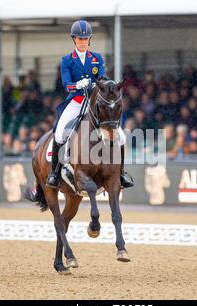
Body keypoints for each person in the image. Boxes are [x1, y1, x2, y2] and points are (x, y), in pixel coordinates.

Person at [47, 20, 134, 189]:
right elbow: (66, 84)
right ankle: (55, 173)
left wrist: (103, 84)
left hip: (94, 103)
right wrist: (77, 85)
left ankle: (122, 173)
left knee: (121, 136)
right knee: (59, 133)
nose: (83, 41)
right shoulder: (67, 60)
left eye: (86, 39)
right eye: (80, 39)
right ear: (74, 39)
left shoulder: (96, 58)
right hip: (77, 101)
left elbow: (101, 77)